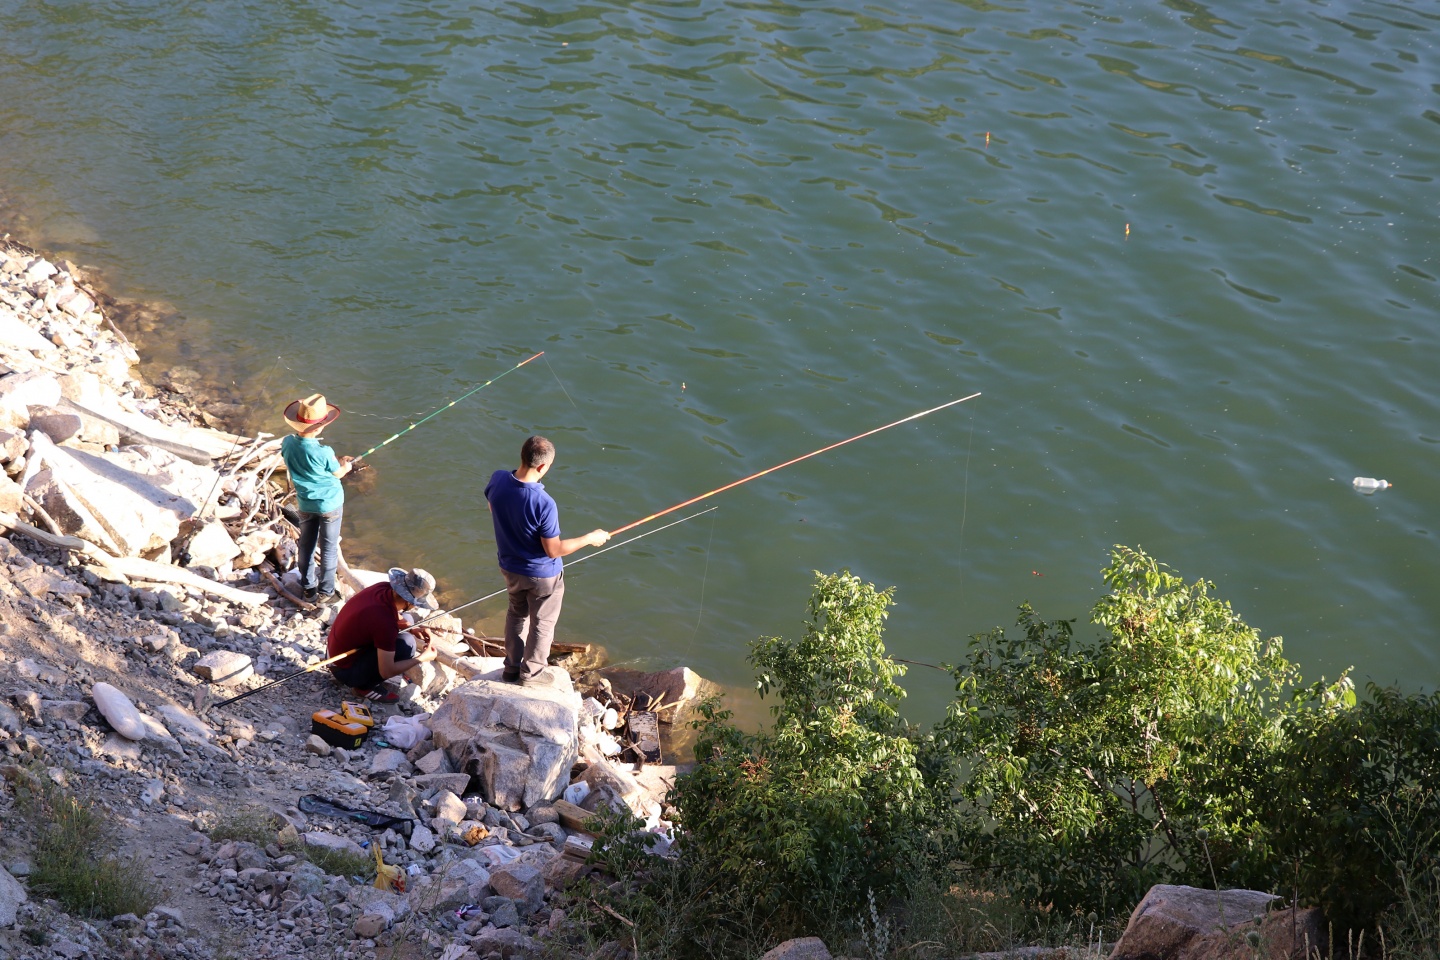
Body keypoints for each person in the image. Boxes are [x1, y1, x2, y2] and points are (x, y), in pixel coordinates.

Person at [485, 436, 609, 684]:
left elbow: (493, 508)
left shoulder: (498, 479)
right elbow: (553, 550)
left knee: (516, 615)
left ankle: (511, 669)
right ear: (542, 466)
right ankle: (531, 675)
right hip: (543, 576)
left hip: (509, 567)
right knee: (542, 624)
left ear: (522, 455)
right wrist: (590, 538)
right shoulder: (544, 503)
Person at [279, 394, 353, 604]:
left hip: (305, 503)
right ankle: (326, 591)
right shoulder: (324, 452)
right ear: (319, 428)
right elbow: (338, 473)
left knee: (306, 545)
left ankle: (308, 588)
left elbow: (294, 459)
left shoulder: (287, 443)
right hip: (330, 505)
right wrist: (346, 466)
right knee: (329, 549)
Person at [327, 567, 438, 702]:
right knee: (407, 645)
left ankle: (368, 670)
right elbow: (387, 671)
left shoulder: (383, 588)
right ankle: (364, 687)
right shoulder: (385, 623)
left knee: (408, 619)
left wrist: (412, 628)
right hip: (343, 670)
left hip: (332, 653)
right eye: (418, 604)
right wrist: (422, 658)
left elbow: (388, 614)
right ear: (409, 602)